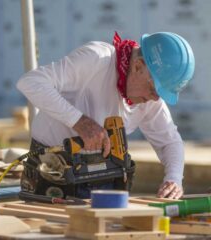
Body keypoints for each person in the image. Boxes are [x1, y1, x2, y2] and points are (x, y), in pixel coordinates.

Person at [17, 32, 195, 200]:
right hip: (54, 176)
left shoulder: (149, 99)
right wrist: (79, 122)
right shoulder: (97, 59)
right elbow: (31, 82)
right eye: (154, 89)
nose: (156, 98)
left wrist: (174, 179)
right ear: (138, 66)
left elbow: (169, 142)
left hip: (108, 180)